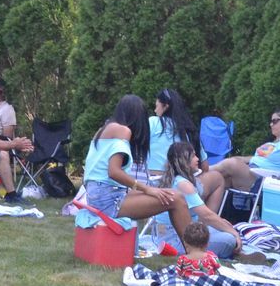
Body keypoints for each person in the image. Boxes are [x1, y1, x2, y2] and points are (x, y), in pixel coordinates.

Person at [82, 94, 195, 235]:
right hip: (108, 199)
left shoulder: (103, 130)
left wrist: (145, 189)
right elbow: (114, 172)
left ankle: (191, 250)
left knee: (168, 194)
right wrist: (147, 189)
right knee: (176, 198)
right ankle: (194, 252)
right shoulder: (123, 130)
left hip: (98, 195)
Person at [156, 140, 242, 259]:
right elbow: (206, 215)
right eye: (193, 156)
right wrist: (233, 233)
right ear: (184, 161)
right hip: (176, 240)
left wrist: (223, 224)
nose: (197, 159)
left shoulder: (177, 180)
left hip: (174, 234)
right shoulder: (183, 184)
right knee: (229, 239)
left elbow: (205, 217)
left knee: (223, 227)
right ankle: (224, 254)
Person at [198, 106, 280, 204]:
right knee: (217, 180)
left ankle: (197, 172)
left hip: (265, 181)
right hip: (251, 173)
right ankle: (198, 207)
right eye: (271, 121)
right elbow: (253, 158)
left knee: (231, 164)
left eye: (275, 121)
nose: (271, 124)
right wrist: (237, 159)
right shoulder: (271, 143)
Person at [144, 88, 197, 182]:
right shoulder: (185, 130)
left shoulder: (152, 122)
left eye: (157, 106)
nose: (155, 110)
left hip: (153, 179)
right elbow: (203, 166)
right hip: (177, 181)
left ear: (165, 106)